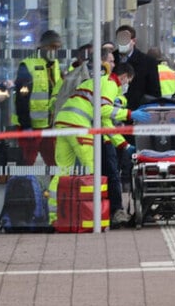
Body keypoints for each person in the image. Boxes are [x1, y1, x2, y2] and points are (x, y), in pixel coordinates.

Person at [50, 63, 150, 225]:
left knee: (63, 170)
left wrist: (122, 144)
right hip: (79, 126)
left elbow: (105, 122)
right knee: (93, 171)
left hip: (63, 122)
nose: (127, 85)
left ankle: (54, 216)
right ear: (124, 76)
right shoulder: (110, 82)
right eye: (128, 81)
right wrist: (130, 114)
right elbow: (103, 110)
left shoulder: (99, 82)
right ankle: (93, 215)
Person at [13, 30, 64, 166]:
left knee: (55, 162)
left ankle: (54, 187)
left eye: (58, 48)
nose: (55, 51)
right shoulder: (28, 65)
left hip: (49, 124)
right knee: (27, 162)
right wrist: (26, 126)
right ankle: (21, 186)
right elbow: (21, 98)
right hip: (31, 125)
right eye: (53, 47)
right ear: (43, 46)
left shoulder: (56, 65)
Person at [113, 25, 161, 109]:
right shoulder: (111, 60)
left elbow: (154, 92)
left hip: (138, 111)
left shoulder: (148, 62)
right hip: (112, 110)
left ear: (133, 41)